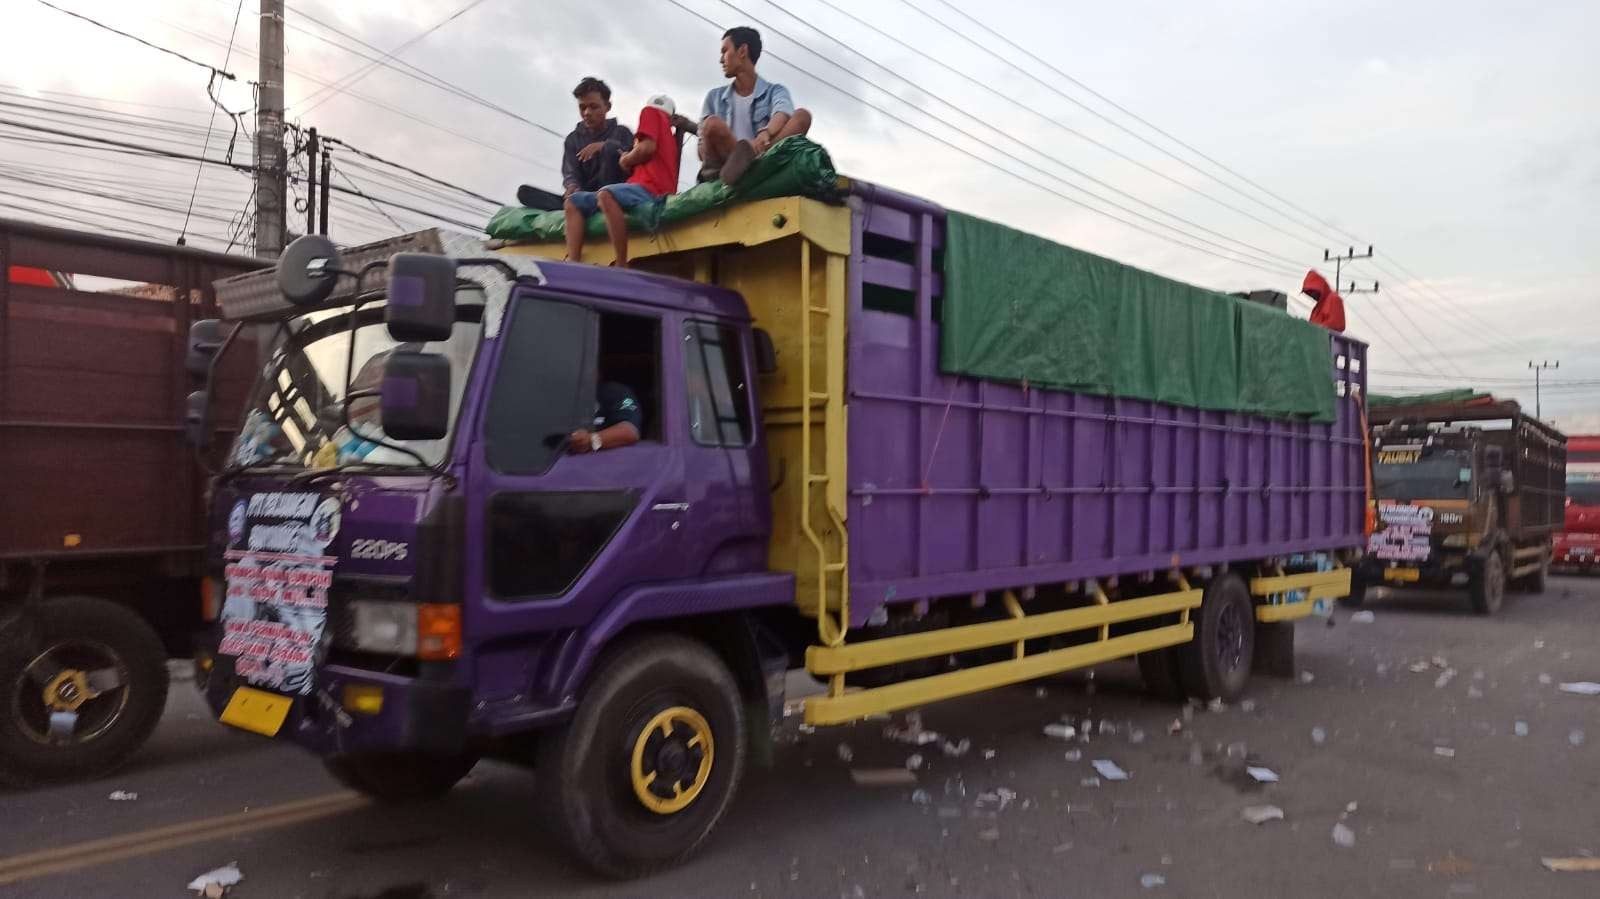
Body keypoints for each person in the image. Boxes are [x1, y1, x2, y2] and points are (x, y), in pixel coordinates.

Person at [562, 95, 681, 267]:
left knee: (605, 195)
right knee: (573, 202)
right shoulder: (668, 137)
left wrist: (626, 159)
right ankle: (573, 263)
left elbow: (646, 149)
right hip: (638, 187)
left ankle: (621, 262)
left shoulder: (651, 113)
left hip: (650, 189)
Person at [687, 26, 813, 186]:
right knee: (712, 124)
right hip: (725, 166)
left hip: (762, 158)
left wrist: (765, 134)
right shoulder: (714, 97)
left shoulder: (774, 91)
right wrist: (708, 141)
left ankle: (751, 163)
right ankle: (739, 167)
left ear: (742, 51)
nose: (721, 59)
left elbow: (783, 111)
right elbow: (701, 152)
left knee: (802, 116)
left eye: (725, 51)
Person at [519, 77, 633, 208]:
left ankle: (598, 202)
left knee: (609, 150)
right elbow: (570, 173)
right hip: (584, 198)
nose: (587, 113)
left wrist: (605, 146)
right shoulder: (573, 140)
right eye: (582, 107)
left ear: (607, 106)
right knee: (524, 192)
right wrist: (572, 186)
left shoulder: (622, 132)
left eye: (593, 107)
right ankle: (578, 205)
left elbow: (632, 162)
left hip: (613, 195)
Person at [568, 381, 642, 454]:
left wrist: (592, 441)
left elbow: (629, 432)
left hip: (607, 458)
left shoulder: (616, 392)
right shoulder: (561, 395)